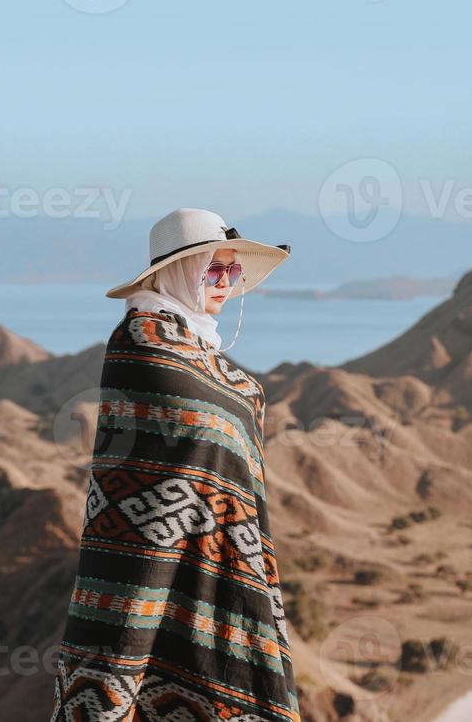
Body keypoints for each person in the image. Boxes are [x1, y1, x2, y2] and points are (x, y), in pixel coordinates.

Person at [50, 208, 300, 721]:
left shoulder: (200, 349)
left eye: (233, 271)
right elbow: (201, 427)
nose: (226, 283)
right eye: (214, 269)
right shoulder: (140, 341)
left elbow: (223, 429)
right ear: (179, 271)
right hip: (144, 560)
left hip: (224, 555)